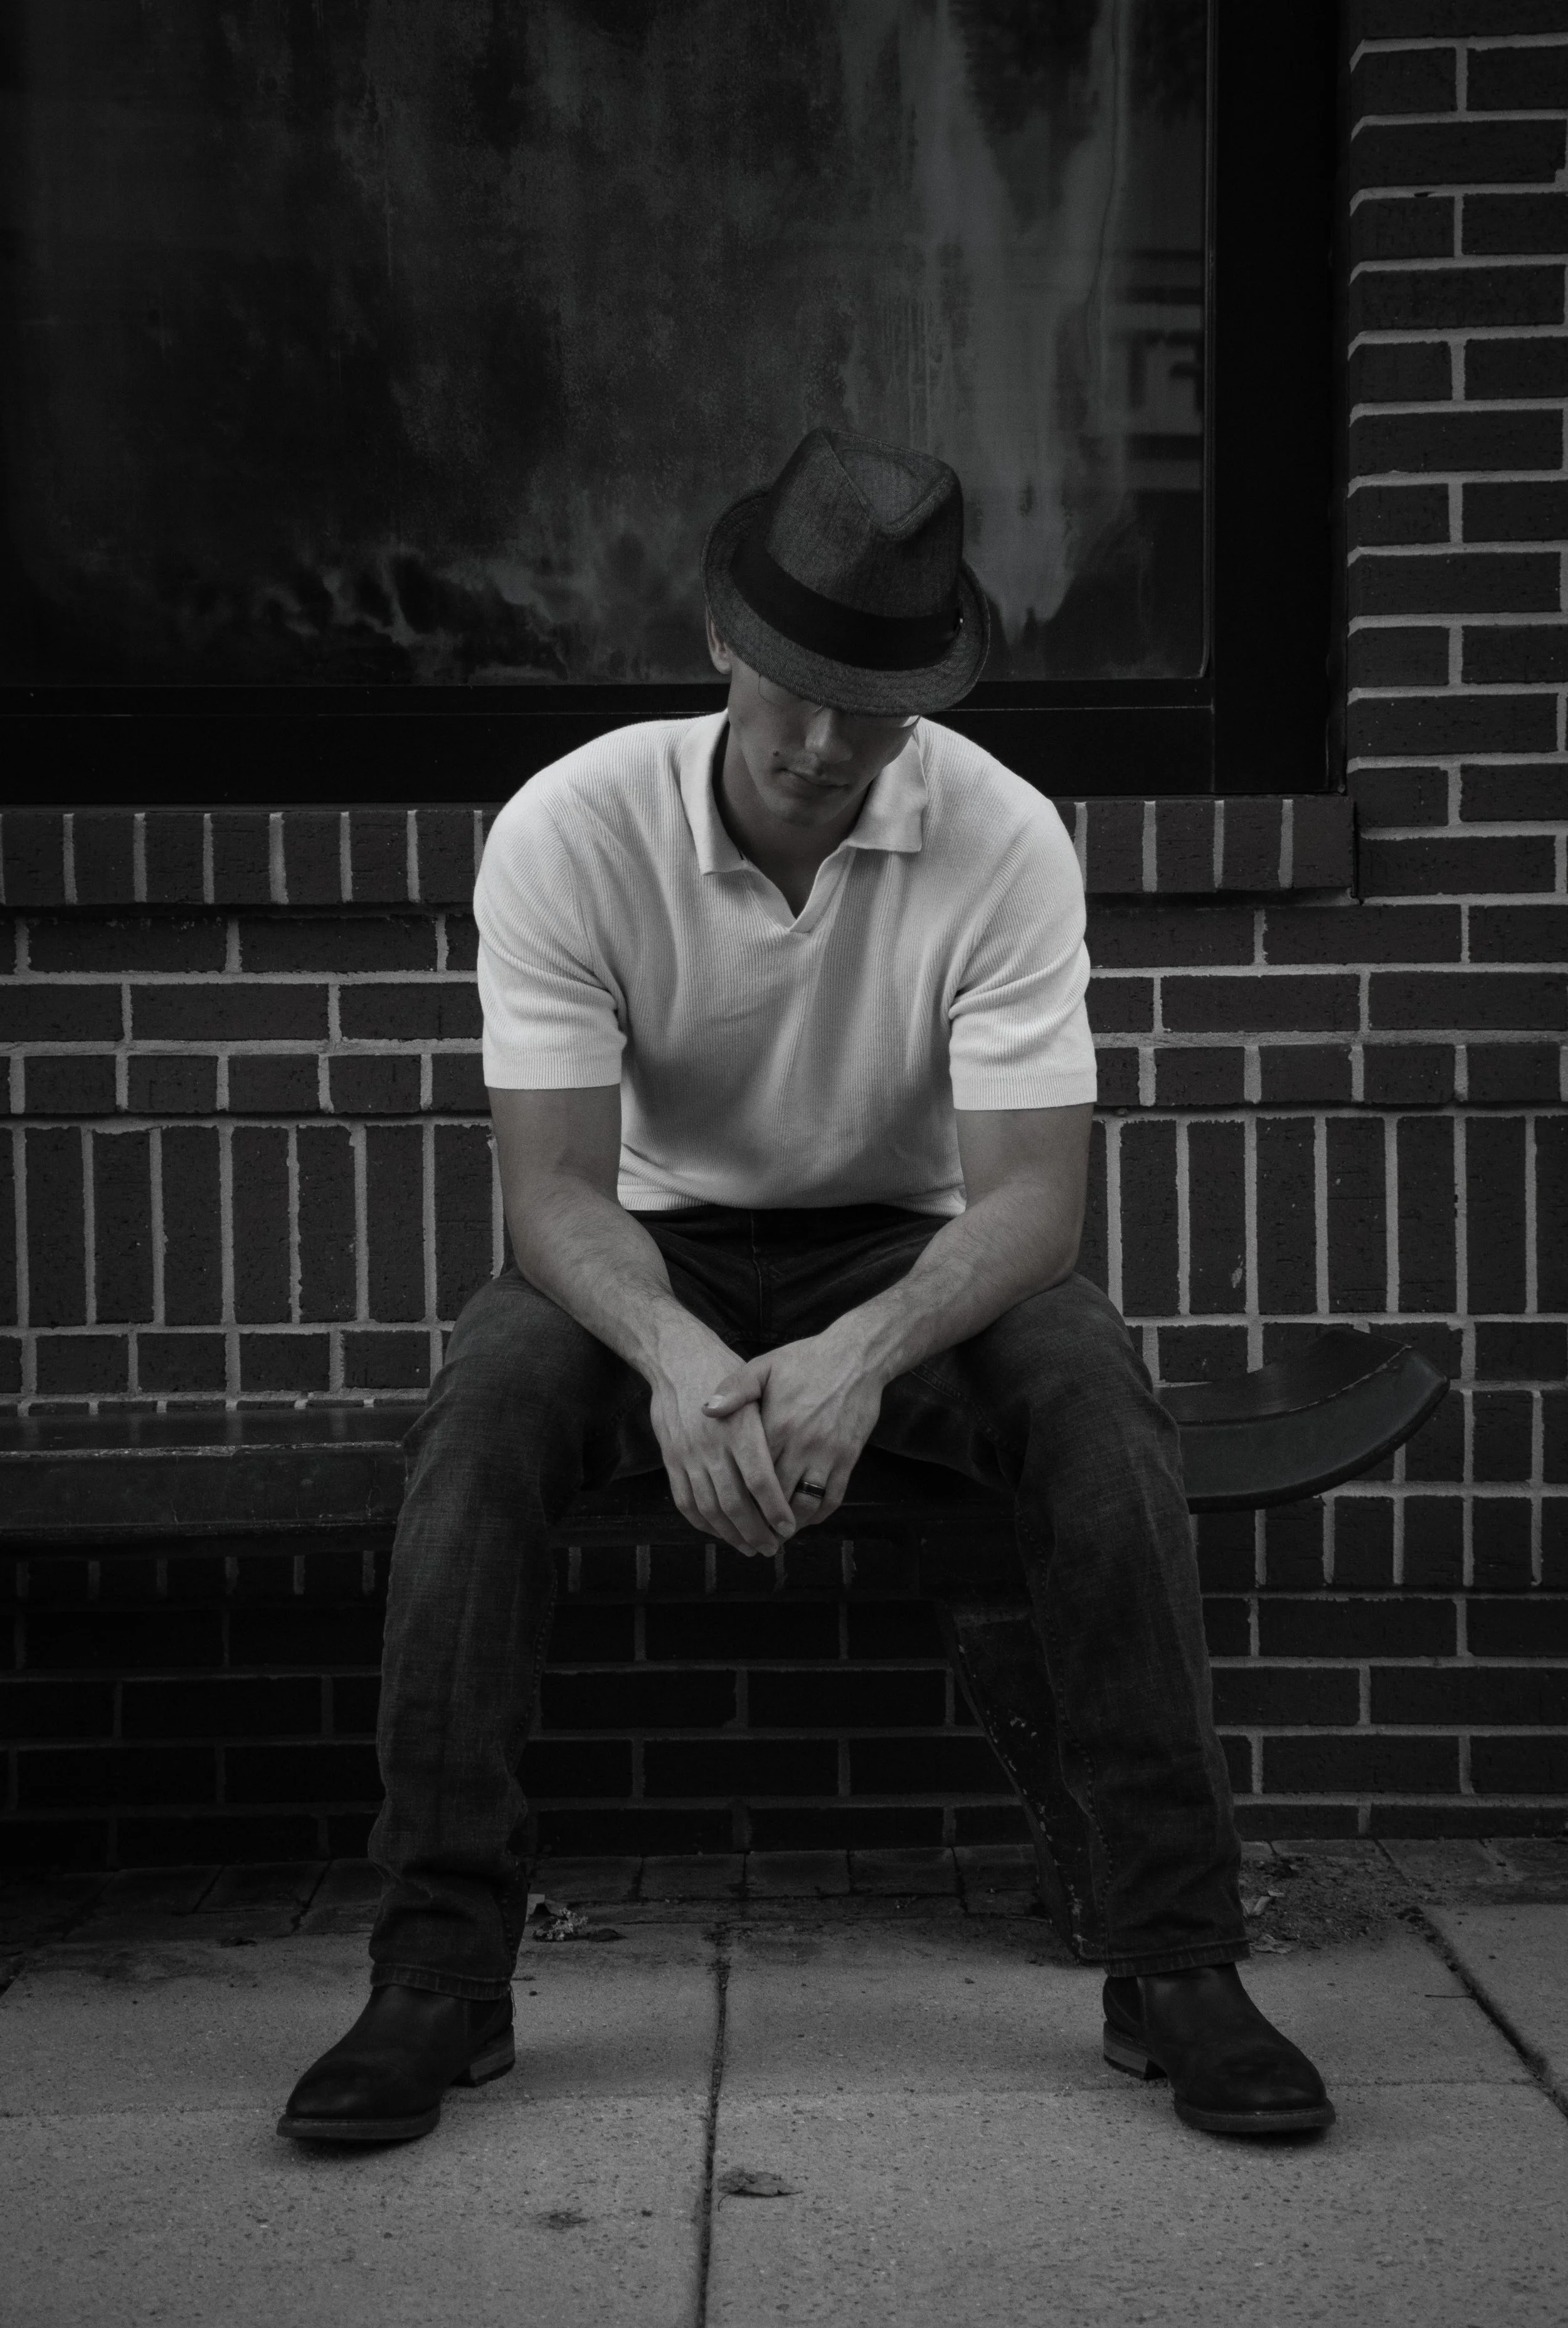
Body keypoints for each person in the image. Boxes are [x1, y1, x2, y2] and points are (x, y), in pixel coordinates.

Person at [278, 428, 1333, 2146]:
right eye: (797, 687)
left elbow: (1032, 1210)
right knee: (480, 1421)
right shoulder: (573, 826)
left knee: (1094, 1399)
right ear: (722, 646)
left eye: (877, 703)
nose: (828, 742)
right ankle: (437, 1978)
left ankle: (1176, 1963)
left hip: (912, 1247)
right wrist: (682, 1359)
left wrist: (858, 1348)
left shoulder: (1001, 842)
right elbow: (548, 1195)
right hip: (646, 1242)